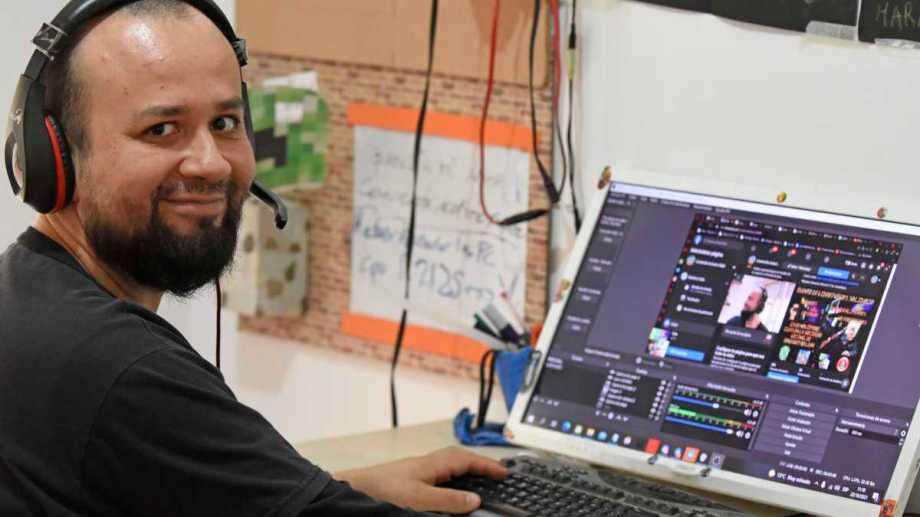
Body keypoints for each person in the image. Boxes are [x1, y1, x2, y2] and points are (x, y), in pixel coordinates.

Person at [0, 1, 505, 515]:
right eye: (162, 130)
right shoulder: (126, 371)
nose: (212, 164)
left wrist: (340, 487)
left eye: (225, 122)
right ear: (53, 158)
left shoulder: (24, 298)